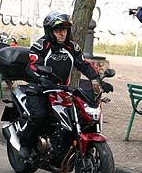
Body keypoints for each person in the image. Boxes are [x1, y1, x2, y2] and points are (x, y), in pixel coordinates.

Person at [18, 11, 110, 161]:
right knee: (40, 116)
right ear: (50, 31)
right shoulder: (40, 46)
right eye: (58, 30)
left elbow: (84, 64)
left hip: (62, 91)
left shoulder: (72, 47)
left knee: (80, 117)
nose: (62, 34)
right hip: (40, 90)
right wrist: (41, 78)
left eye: (65, 30)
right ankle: (25, 143)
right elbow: (32, 66)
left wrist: (97, 79)